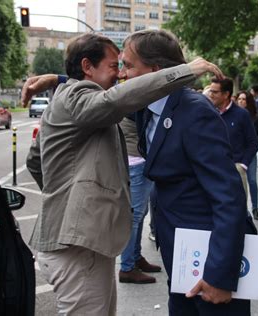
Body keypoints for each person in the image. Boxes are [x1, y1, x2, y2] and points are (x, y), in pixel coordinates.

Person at [24, 33, 223, 315]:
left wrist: (67, 192)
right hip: (75, 247)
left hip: (80, 244)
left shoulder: (67, 96)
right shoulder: (76, 96)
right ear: (87, 66)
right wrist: (184, 71)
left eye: (125, 66)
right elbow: (112, 102)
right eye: (114, 65)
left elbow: (35, 161)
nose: (120, 75)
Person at [120, 30, 255, 315]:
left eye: (129, 66)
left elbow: (229, 197)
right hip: (179, 250)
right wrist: (60, 80)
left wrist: (219, 275)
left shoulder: (195, 112)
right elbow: (104, 101)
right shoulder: (147, 106)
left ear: (156, 71)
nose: (122, 74)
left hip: (208, 257)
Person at [118, 115, 161, 284]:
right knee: (134, 216)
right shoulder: (136, 98)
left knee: (139, 214)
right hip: (136, 159)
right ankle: (127, 268)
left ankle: (135, 258)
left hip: (135, 158)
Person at [207, 78, 258, 207]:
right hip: (211, 171)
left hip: (235, 171)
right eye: (210, 91)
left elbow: (253, 142)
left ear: (226, 94)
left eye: (215, 92)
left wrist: (242, 166)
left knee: (237, 210)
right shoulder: (208, 112)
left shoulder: (241, 114)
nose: (210, 94)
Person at [236, 91, 258, 220]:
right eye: (239, 99)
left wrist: (251, 140)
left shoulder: (255, 118)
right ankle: (242, 209)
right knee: (239, 183)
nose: (241, 101)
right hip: (237, 155)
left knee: (252, 181)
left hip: (251, 155)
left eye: (244, 99)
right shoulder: (234, 116)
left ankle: (255, 208)